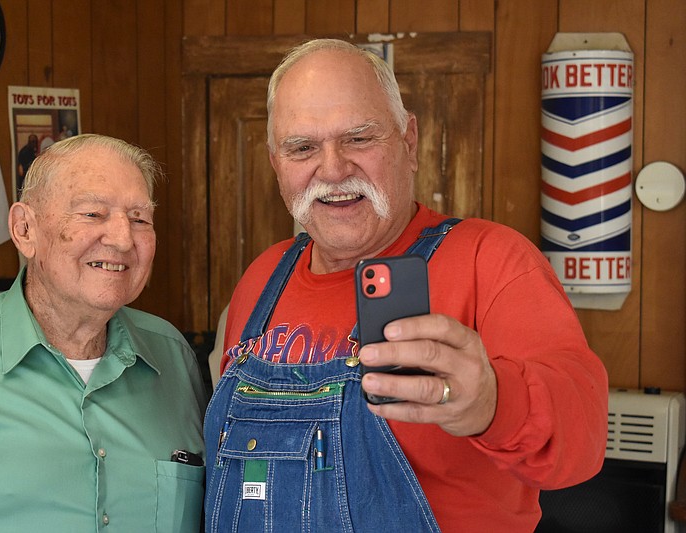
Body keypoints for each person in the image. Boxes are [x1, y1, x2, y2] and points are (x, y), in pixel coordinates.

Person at [203, 39, 608, 532]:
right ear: (275, 163)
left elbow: (582, 440)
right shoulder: (263, 276)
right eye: (303, 147)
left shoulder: (492, 260)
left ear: (409, 142)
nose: (332, 169)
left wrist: (492, 403)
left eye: (358, 138)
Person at [0, 134, 207, 532]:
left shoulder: (173, 358)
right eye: (93, 214)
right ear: (25, 229)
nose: (124, 239)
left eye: (140, 218)